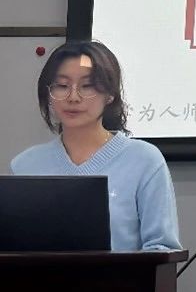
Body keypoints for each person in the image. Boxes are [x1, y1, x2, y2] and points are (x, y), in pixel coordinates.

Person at [9, 40, 181, 252]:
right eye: (61, 86)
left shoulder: (144, 160)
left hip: (122, 275)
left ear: (110, 95)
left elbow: (162, 248)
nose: (73, 97)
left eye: (87, 86)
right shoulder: (26, 165)